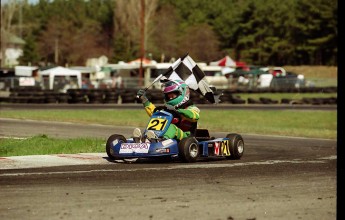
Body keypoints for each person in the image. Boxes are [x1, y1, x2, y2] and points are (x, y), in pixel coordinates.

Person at [135, 79, 200, 142]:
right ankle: (145, 138)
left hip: (186, 137)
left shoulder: (190, 107)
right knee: (157, 121)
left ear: (182, 93)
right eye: (168, 96)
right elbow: (155, 114)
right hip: (169, 135)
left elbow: (195, 116)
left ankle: (160, 141)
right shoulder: (169, 108)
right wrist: (144, 100)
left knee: (171, 127)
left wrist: (178, 111)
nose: (170, 97)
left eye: (172, 95)